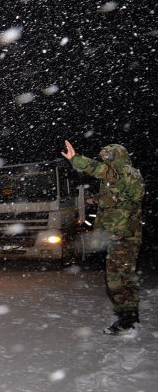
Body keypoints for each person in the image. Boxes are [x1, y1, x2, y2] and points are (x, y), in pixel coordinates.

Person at [61, 140, 145, 335]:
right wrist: (95, 199)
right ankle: (131, 316)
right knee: (126, 276)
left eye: (108, 158)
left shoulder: (122, 171)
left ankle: (127, 320)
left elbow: (101, 171)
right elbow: (118, 196)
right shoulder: (128, 175)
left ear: (117, 157)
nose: (105, 162)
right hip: (123, 235)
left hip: (122, 236)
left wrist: (76, 160)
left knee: (117, 278)